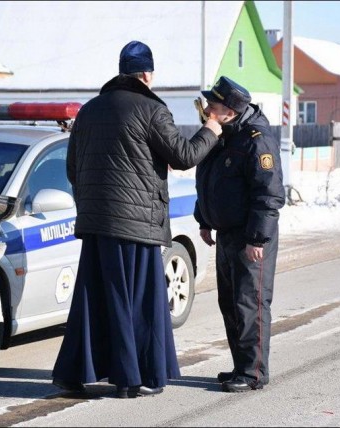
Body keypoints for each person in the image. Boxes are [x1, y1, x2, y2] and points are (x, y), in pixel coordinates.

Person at [51, 40, 222, 399]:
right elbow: (185, 155)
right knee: (138, 301)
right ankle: (132, 378)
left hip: (96, 221)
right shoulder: (151, 110)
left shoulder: (90, 110)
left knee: (93, 298)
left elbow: (72, 168)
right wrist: (211, 130)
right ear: (147, 74)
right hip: (136, 223)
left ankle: (73, 374)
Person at [194, 76, 285, 392]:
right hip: (227, 235)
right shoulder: (221, 136)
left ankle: (254, 372)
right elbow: (209, 182)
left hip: (250, 237)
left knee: (251, 303)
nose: (207, 109)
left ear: (229, 111)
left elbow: (269, 194)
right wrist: (204, 219)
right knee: (230, 303)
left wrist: (257, 239)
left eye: (213, 105)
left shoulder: (256, 140)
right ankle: (240, 367)